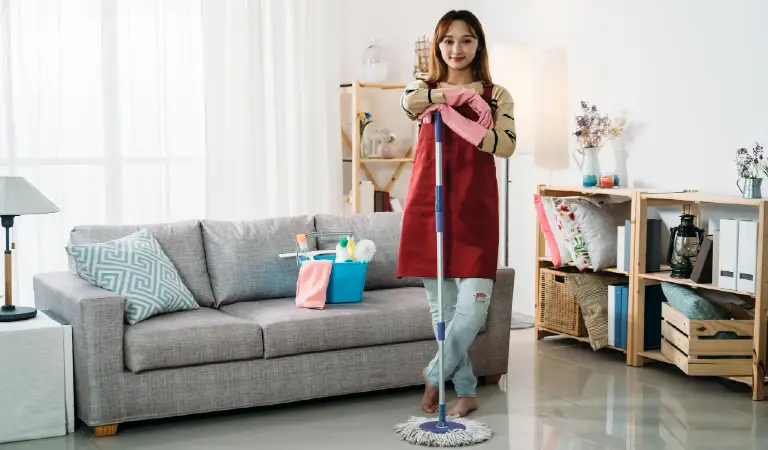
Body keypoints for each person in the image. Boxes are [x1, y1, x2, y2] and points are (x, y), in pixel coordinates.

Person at [396, 9, 516, 417]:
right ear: (438, 46)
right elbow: (408, 102)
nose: (456, 49)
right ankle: (465, 389)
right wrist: (457, 97)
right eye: (448, 40)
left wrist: (452, 115)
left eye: (466, 40)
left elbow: (504, 146)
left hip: (476, 214)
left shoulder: (497, 95)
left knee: (472, 311)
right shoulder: (422, 88)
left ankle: (433, 374)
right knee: (442, 313)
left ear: (478, 44)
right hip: (431, 210)